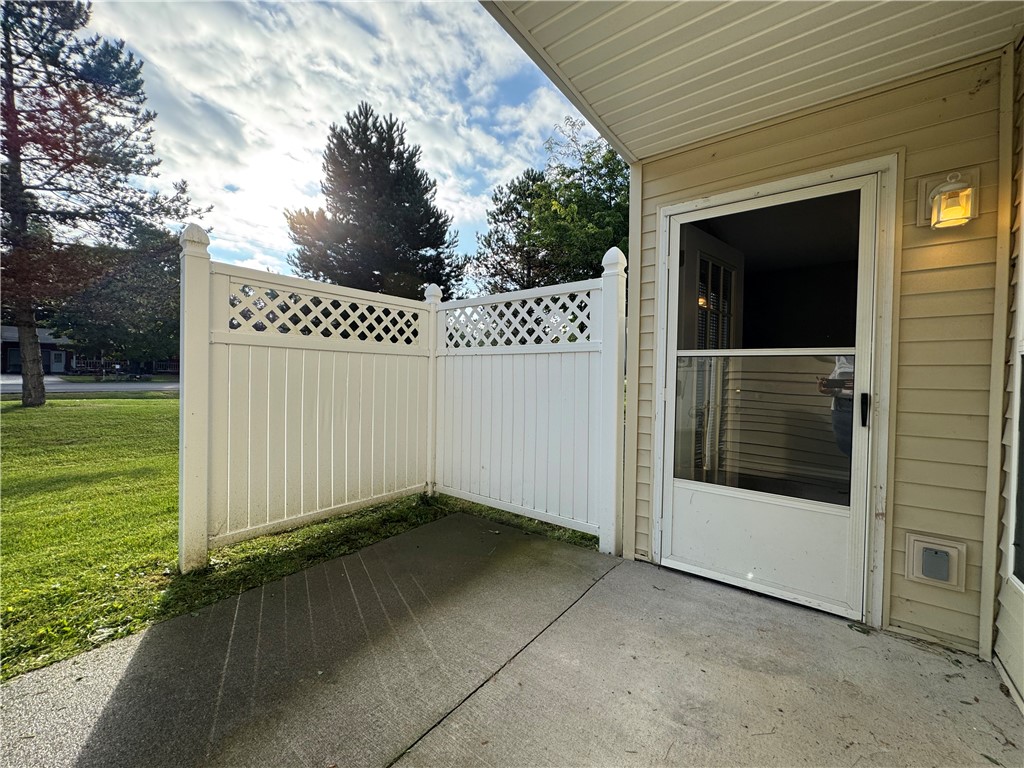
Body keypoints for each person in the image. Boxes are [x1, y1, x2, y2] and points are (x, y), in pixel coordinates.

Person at [817, 355, 854, 458]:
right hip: (841, 406)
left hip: (864, 404)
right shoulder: (841, 358)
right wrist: (827, 389)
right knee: (846, 447)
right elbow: (837, 389)